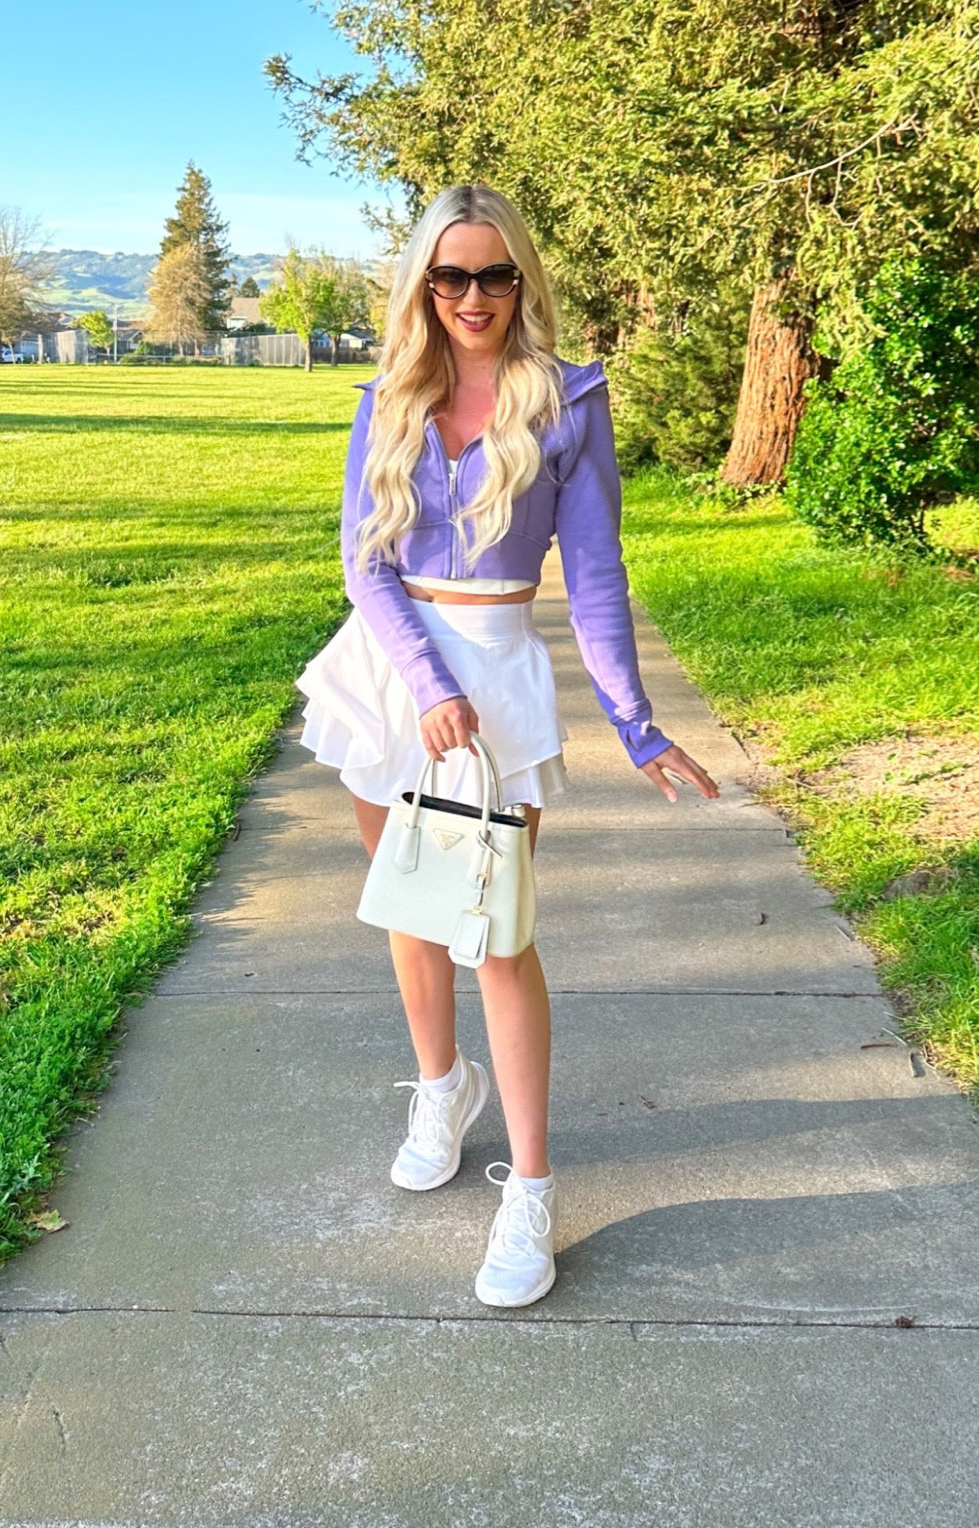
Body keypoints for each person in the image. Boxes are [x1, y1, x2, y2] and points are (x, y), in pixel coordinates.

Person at [298, 185, 718, 1307]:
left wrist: (633, 720)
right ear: (421, 286)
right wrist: (425, 683)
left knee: (492, 931)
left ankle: (528, 1186)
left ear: (520, 281)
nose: (471, 297)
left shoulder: (568, 399)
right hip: (388, 671)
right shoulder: (386, 397)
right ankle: (440, 1084)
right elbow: (362, 562)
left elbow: (593, 575)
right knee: (405, 901)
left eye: (492, 275)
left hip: (496, 674)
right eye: (449, 276)